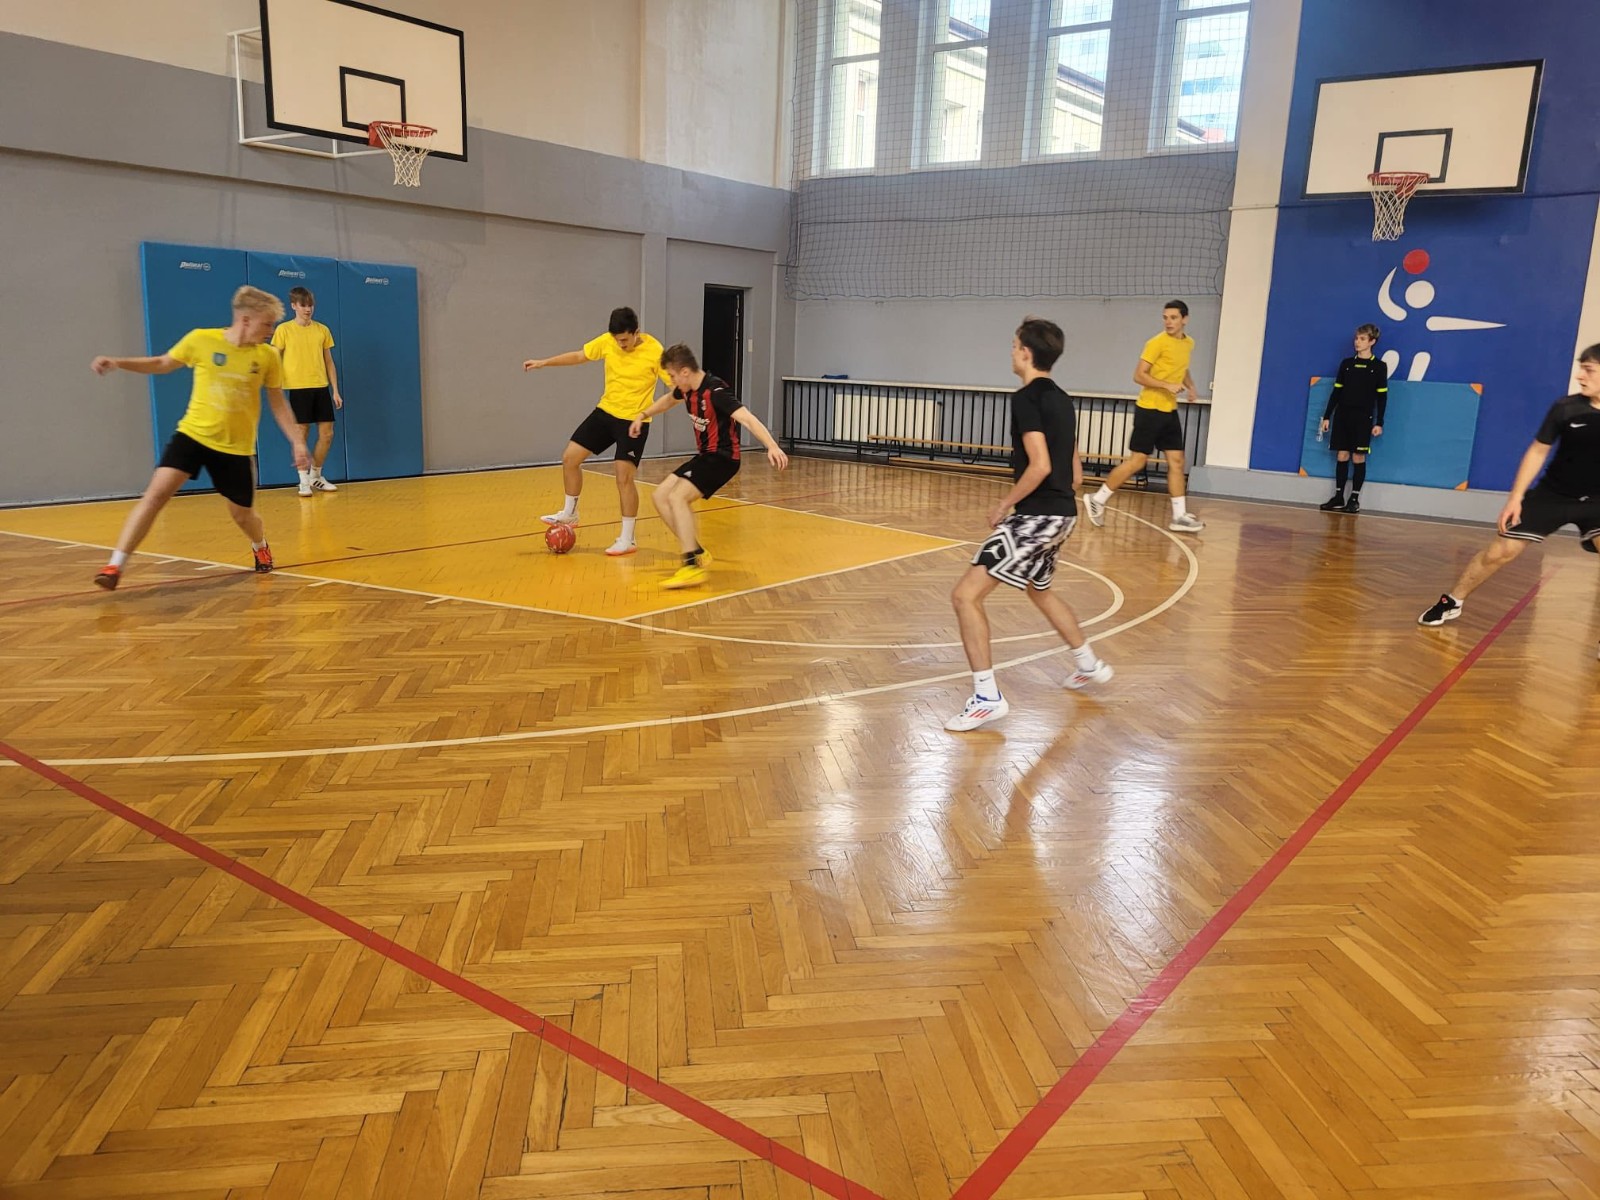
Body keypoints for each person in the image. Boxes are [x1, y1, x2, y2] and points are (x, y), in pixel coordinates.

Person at [945, 317, 1113, 733]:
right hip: (1063, 515)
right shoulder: (1063, 399)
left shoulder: (1026, 400)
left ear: (1025, 352)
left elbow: (1040, 465)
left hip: (1036, 517)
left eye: (1014, 345)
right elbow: (1075, 473)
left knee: (965, 596)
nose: (1011, 351)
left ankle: (987, 698)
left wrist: (1006, 504)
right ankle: (1087, 663)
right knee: (1040, 590)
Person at [89, 286, 308, 590]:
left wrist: (297, 441)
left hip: (235, 449)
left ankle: (260, 545)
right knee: (155, 495)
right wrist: (118, 362)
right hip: (193, 435)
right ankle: (115, 566)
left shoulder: (268, 356)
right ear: (245, 320)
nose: (271, 331)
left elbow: (278, 402)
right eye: (267, 324)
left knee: (243, 516)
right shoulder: (201, 340)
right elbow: (162, 363)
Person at [1419, 343, 1600, 631]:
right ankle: (1452, 601)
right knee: (1500, 551)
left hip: (1597, 502)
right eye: (1581, 368)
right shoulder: (1566, 408)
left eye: (1588, 370)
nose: (1580, 376)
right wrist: (1515, 498)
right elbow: (1537, 451)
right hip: (1553, 495)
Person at [627, 343, 788, 590]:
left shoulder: (716, 391)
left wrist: (772, 446)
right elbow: (668, 401)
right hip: (705, 457)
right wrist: (643, 414)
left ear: (684, 372)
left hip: (723, 458)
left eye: (672, 376)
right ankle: (697, 551)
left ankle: (690, 565)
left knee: (678, 497)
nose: (671, 381)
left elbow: (746, 418)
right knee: (660, 496)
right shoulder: (687, 389)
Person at [523, 306, 671, 557]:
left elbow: (675, 388)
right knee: (570, 458)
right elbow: (579, 356)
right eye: (617, 340)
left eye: (624, 340)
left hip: (633, 421)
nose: (620, 344)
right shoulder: (607, 342)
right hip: (606, 412)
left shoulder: (655, 351)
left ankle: (628, 538)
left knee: (623, 478)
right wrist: (544, 362)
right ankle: (570, 513)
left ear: (636, 332)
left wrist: (648, 412)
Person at [1084, 300, 1206, 533]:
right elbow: (1139, 375)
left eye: (1173, 317)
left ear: (1185, 319)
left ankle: (1179, 517)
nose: (1168, 322)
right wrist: (1166, 385)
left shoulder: (1188, 343)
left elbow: (1182, 368)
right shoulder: (1156, 343)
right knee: (1137, 461)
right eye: (1165, 317)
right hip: (1149, 410)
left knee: (1177, 462)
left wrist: (1191, 386)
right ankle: (1097, 499)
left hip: (1169, 411)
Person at [271, 286, 344, 496]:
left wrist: (335, 390)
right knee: (301, 434)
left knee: (327, 434)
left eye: (310, 305)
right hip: (297, 388)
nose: (308, 309)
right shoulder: (284, 330)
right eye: (303, 305)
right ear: (294, 306)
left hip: (320, 387)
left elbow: (329, 362)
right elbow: (273, 358)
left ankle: (316, 476)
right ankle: (303, 481)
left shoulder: (322, 330)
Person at [1318, 323, 1388, 513]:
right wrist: (1327, 416)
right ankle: (1338, 496)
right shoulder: (1347, 364)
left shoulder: (1379, 367)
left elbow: (1382, 397)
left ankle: (1354, 499)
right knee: (1342, 454)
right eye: (1356, 338)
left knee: (1358, 456)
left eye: (1362, 339)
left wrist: (1379, 422)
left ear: (1372, 341)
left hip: (1363, 417)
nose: (1357, 342)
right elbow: (1336, 392)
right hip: (1343, 415)